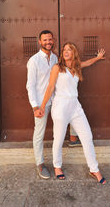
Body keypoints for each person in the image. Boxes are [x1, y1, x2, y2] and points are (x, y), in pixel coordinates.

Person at [39, 42, 106, 184]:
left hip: (75, 105)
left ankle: (94, 169)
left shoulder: (76, 67)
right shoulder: (58, 67)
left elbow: (87, 63)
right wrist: (42, 106)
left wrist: (98, 58)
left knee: (87, 136)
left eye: (69, 49)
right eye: (64, 50)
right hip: (61, 106)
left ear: (73, 52)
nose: (66, 52)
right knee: (58, 138)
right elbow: (51, 87)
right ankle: (57, 167)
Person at [26, 31, 80, 179]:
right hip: (41, 104)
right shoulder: (34, 61)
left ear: (53, 40)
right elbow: (30, 85)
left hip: (55, 100)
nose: (48, 42)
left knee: (72, 112)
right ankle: (40, 163)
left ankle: (74, 138)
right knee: (39, 133)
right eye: (45, 40)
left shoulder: (56, 57)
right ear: (39, 41)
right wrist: (35, 106)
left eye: (50, 39)